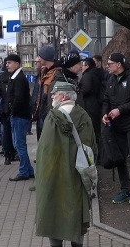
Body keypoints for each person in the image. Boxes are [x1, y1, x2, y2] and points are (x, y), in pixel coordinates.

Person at [35, 81, 95, 247]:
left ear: (63, 95)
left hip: (53, 177)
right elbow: (91, 146)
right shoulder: (83, 116)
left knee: (53, 210)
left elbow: (44, 151)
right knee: (76, 210)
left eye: (54, 93)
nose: (52, 96)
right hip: (78, 175)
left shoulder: (52, 117)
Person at [102, 53, 130, 204]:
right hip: (117, 126)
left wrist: (120, 110)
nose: (107, 66)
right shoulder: (111, 80)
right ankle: (125, 189)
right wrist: (105, 114)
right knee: (120, 157)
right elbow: (106, 100)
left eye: (109, 64)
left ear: (118, 64)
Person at [4, 54, 35, 181]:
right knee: (19, 144)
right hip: (19, 115)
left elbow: (18, 98)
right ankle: (28, 170)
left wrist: (12, 111)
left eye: (9, 63)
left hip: (19, 116)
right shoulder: (15, 77)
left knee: (19, 144)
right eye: (6, 63)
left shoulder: (19, 79)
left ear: (17, 63)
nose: (7, 65)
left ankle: (23, 171)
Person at [0, 61, 16, 164]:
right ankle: (13, 152)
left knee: (5, 132)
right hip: (14, 109)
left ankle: (7, 155)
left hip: (3, 110)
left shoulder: (0, 77)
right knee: (14, 133)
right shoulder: (15, 76)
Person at [79, 58, 104, 142]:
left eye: (82, 65)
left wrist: (79, 91)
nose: (81, 67)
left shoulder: (88, 75)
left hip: (89, 106)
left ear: (87, 66)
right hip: (96, 105)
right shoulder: (97, 73)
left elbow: (86, 89)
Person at [30, 57, 43, 140]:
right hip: (38, 111)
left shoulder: (43, 76)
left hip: (42, 111)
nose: (35, 64)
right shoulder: (38, 76)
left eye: (37, 62)